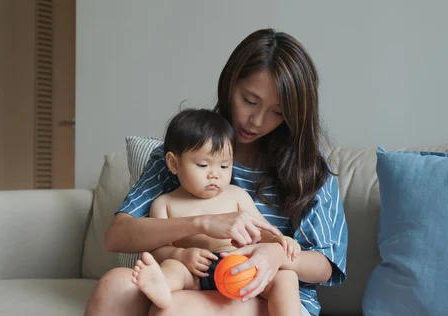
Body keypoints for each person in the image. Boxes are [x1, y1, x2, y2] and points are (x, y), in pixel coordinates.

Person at [84, 28, 348, 316]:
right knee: (115, 286)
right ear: (230, 83)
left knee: (175, 310)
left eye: (278, 112)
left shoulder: (308, 168)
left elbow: (325, 264)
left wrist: (276, 254)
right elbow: (117, 236)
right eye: (250, 100)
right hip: (193, 277)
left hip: (267, 293)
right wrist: (202, 223)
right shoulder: (183, 154)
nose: (257, 120)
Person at [131, 108, 303, 316]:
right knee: (171, 268)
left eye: (224, 166)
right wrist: (181, 254)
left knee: (286, 277)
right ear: (174, 163)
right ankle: (162, 289)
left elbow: (262, 230)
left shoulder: (236, 195)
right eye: (203, 165)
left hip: (237, 267)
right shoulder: (164, 204)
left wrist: (279, 240)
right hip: (193, 273)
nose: (214, 175)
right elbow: (158, 250)